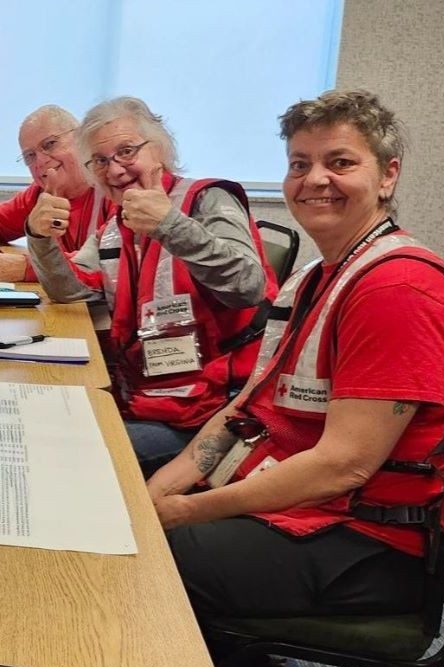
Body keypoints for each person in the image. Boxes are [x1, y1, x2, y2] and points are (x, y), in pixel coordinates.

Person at [146, 90, 444, 667]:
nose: (314, 180)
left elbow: (344, 465)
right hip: (314, 509)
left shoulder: (397, 290)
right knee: (137, 513)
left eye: (340, 162)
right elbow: (244, 410)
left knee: (149, 561)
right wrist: (161, 488)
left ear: (387, 174)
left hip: (373, 545)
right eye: (299, 162)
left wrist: (184, 512)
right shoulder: (319, 277)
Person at [27, 96, 278, 475]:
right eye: (100, 161)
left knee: (61, 461)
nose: (114, 169)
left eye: (126, 151)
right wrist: (39, 237)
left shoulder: (208, 200)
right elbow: (71, 290)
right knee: (34, 430)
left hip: (212, 412)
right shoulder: (116, 227)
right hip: (145, 397)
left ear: (159, 150)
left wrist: (169, 225)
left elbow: (247, 285)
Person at [0, 105, 116, 282]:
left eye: (50, 144)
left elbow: (110, 264)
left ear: (80, 139)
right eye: (30, 156)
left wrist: (25, 268)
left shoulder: (116, 186)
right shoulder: (41, 193)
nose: (40, 161)